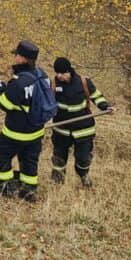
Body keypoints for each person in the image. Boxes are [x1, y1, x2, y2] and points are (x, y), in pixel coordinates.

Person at [0, 40, 48, 202]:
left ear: (22, 59)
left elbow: (5, 104)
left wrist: (2, 89)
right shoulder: (42, 77)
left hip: (16, 133)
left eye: (16, 55)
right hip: (36, 132)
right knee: (29, 161)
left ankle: (6, 188)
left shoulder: (19, 82)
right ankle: (29, 191)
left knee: (0, 154)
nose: (14, 57)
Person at [50, 57, 111, 187]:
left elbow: (97, 97)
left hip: (84, 130)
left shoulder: (84, 82)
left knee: (83, 159)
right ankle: (57, 183)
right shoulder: (53, 85)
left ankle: (84, 175)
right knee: (58, 159)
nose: (59, 76)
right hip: (61, 130)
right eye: (57, 73)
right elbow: (46, 104)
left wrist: (105, 106)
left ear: (69, 71)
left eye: (62, 73)